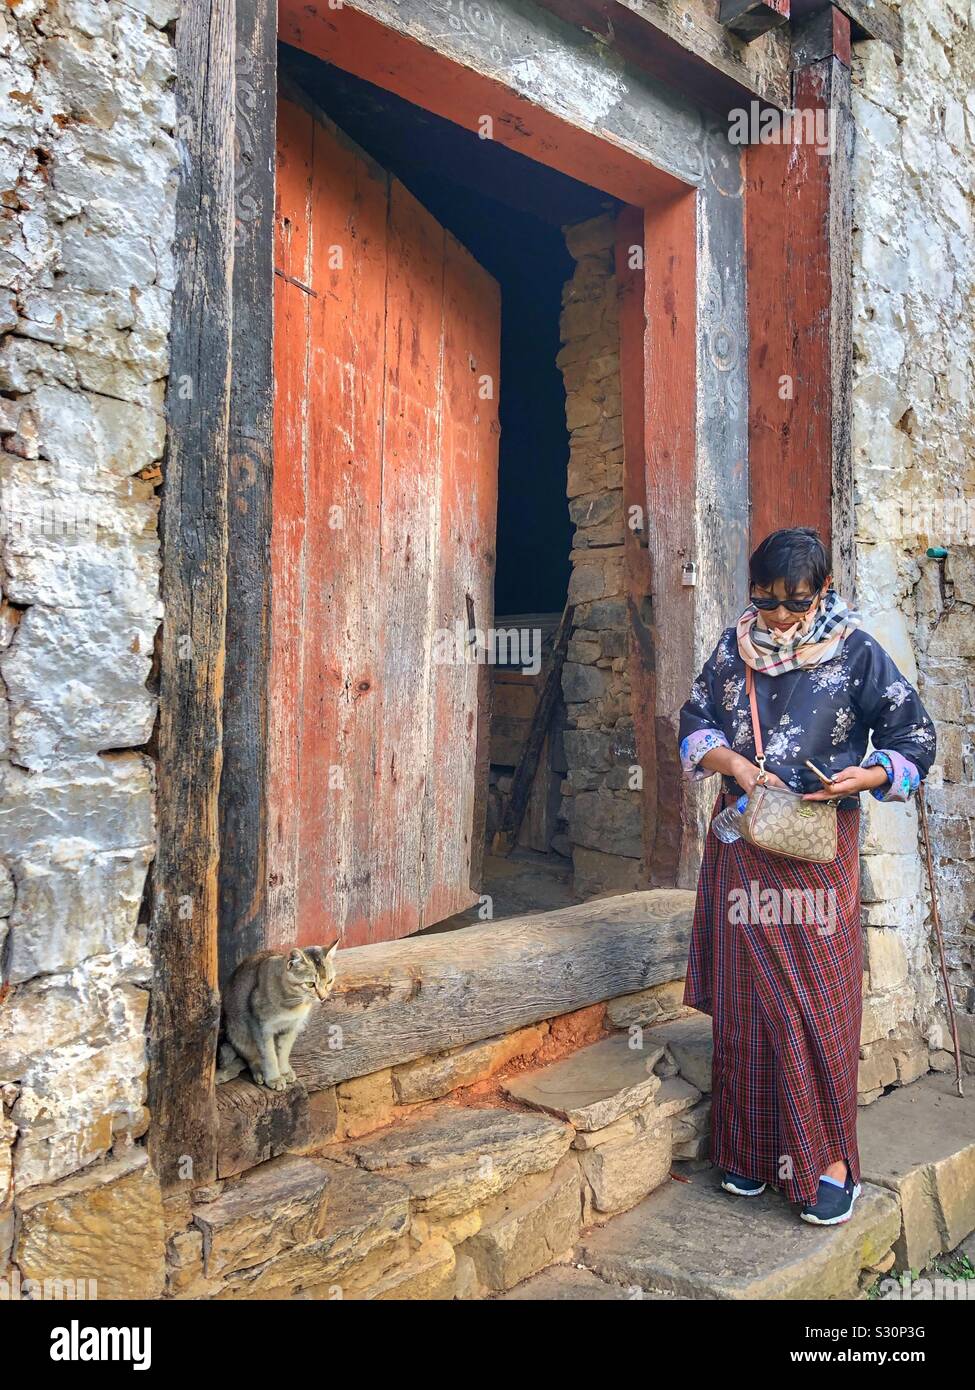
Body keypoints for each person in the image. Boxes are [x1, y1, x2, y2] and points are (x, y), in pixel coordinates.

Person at [677, 527, 936, 1225]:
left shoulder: (855, 654)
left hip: (818, 854)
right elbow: (694, 724)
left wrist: (873, 772)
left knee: (813, 1004)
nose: (779, 619)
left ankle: (827, 1160)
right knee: (745, 1002)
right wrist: (730, 764)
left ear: (822, 592)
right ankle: (748, 1149)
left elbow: (916, 737)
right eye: (765, 602)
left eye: (794, 604)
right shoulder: (730, 655)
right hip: (743, 842)